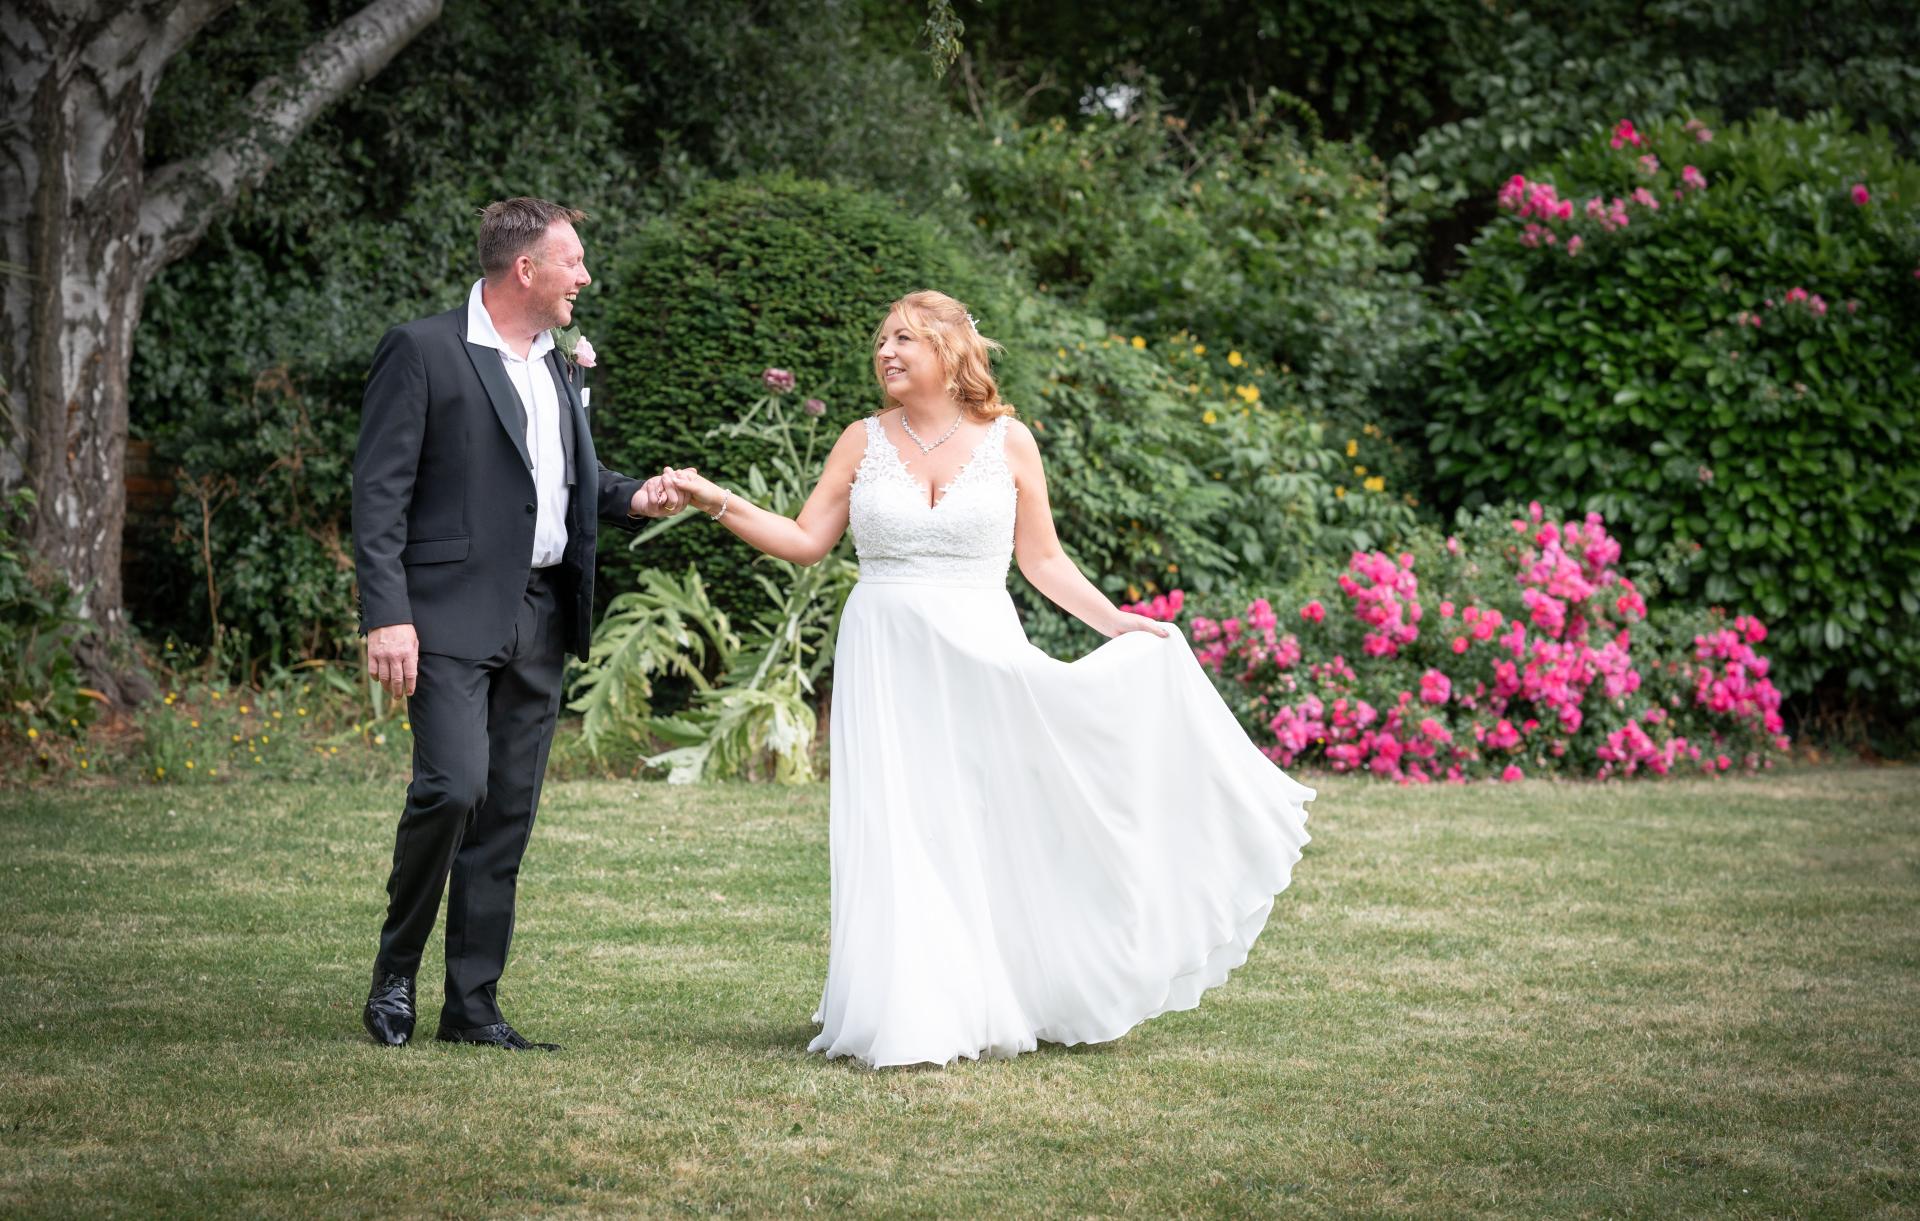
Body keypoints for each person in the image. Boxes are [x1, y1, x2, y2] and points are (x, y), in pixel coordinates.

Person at [662, 290, 1314, 1068]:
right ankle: (910, 1005)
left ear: (950, 349)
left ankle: (1005, 986)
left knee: (985, 818)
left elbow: (1041, 560)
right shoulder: (859, 440)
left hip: (982, 649)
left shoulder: (1010, 442)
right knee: (902, 822)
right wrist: (715, 500)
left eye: (905, 338)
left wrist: (1115, 621)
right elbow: (805, 539)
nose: (887, 353)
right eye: (882, 341)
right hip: (887, 652)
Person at [352, 197, 682, 1051]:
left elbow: (573, 481)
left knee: (505, 815)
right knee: (453, 786)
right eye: (572, 261)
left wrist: (632, 495)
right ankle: (396, 972)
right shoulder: (423, 350)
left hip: (541, 615)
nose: (585, 276)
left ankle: (473, 1006)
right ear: (525, 269)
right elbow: (379, 493)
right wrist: (385, 615)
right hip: (447, 616)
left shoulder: (560, 365)